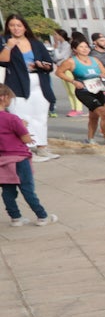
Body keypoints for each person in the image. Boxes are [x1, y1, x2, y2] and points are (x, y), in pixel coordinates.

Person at [1, 15, 58, 161]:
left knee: (40, 116)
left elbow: (49, 64)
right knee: (22, 117)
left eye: (19, 25)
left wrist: (41, 65)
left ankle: (42, 147)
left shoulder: (36, 43)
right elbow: (3, 61)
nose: (16, 28)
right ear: (8, 27)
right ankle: (27, 149)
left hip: (38, 82)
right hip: (17, 84)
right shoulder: (4, 41)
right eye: (12, 25)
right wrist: (9, 46)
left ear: (25, 27)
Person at [1, 84, 58, 225]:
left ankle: (16, 218)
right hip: (18, 158)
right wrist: (24, 127)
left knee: (7, 190)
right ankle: (42, 216)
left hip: (2, 159)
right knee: (27, 188)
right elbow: (25, 138)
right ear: (4, 98)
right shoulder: (12, 119)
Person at [55, 36, 105, 145]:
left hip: (98, 89)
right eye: (81, 47)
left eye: (86, 47)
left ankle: (90, 139)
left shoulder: (94, 60)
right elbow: (58, 72)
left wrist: (104, 75)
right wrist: (73, 81)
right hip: (84, 92)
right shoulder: (71, 62)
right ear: (75, 49)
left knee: (94, 117)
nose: (85, 49)